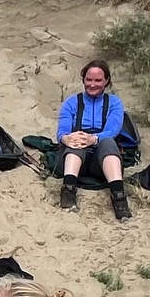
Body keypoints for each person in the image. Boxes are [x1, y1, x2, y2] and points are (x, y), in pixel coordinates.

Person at [56, 59, 134, 222]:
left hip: (101, 160)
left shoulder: (114, 103)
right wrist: (67, 138)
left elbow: (113, 130)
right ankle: (68, 191)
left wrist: (94, 139)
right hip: (76, 159)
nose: (92, 84)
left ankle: (119, 198)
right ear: (83, 79)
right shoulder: (71, 103)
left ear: (106, 81)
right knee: (76, 139)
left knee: (108, 142)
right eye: (89, 80)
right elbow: (61, 132)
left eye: (98, 80)